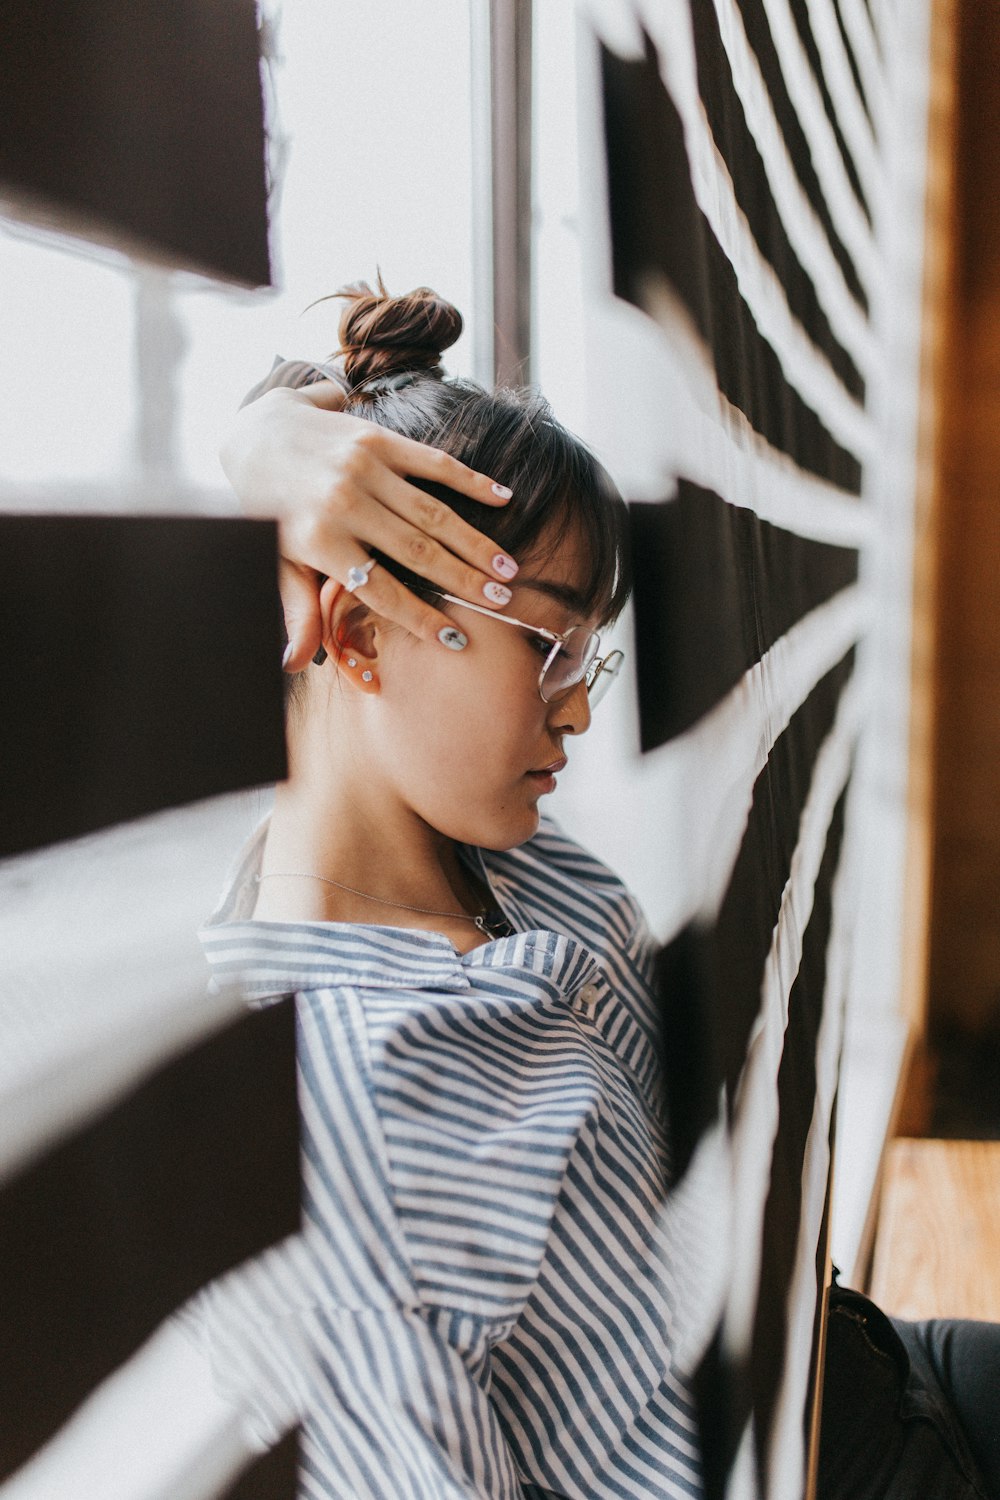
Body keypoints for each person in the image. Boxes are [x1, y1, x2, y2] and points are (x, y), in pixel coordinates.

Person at [198, 279, 1000, 1500]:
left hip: (857, 1376)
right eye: (551, 646)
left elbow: (308, 446)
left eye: (589, 652)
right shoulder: (347, 1113)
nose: (578, 706)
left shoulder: (493, 848)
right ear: (358, 640)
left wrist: (257, 451)